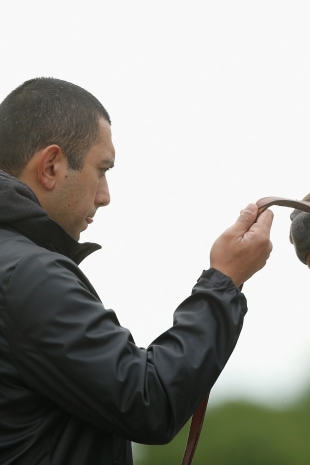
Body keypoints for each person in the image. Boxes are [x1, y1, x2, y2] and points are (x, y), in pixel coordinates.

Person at [0, 77, 274, 463]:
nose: (105, 196)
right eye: (102, 169)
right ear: (50, 166)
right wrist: (224, 282)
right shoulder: (26, 275)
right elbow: (149, 400)